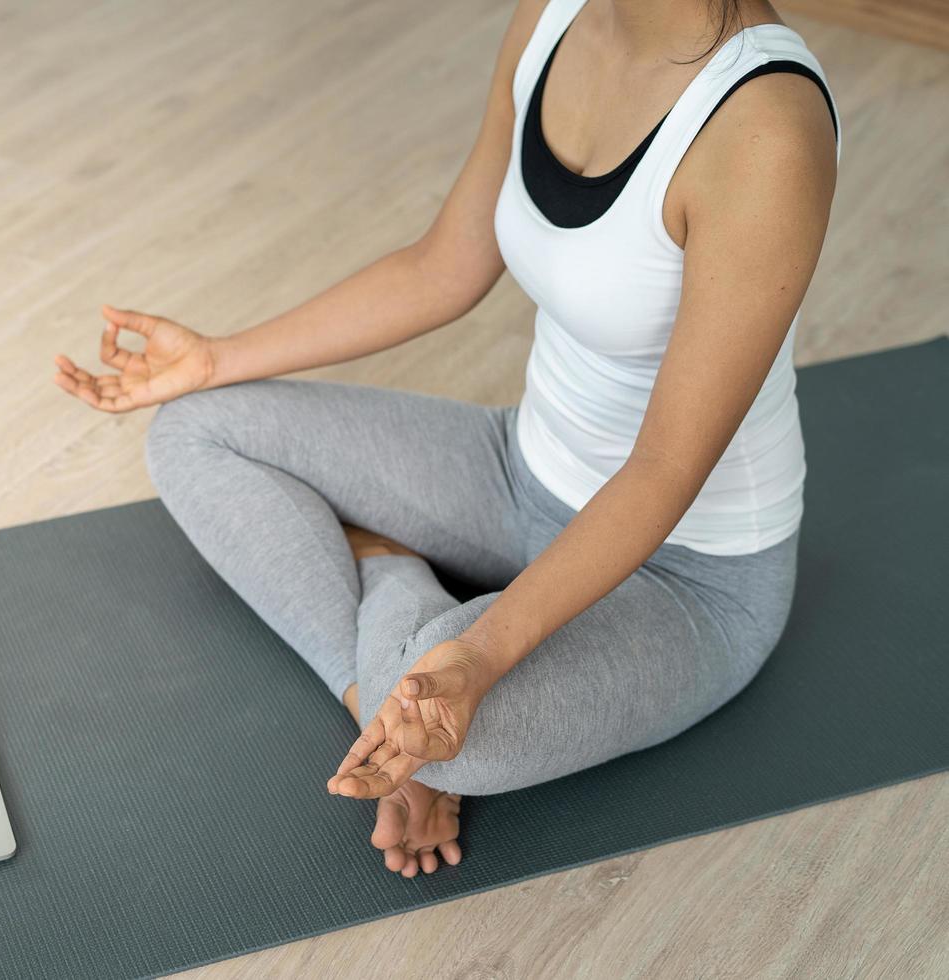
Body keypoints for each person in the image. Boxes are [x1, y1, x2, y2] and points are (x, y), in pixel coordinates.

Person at [52, 0, 839, 879]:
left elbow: (663, 471)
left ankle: (386, 583)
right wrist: (215, 360)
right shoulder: (553, 16)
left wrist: (476, 654)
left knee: (452, 738)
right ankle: (386, 665)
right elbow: (445, 265)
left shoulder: (765, 130)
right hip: (519, 468)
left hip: (686, 572)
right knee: (200, 429)